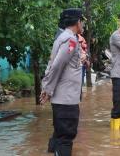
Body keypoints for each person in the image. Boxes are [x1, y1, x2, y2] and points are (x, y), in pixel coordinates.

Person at [40, 8, 85, 156]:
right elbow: (57, 66)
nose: (83, 24)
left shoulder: (64, 36)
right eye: (82, 21)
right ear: (77, 22)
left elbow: (56, 65)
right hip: (66, 99)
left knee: (59, 132)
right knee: (66, 136)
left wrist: (47, 88)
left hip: (63, 97)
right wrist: (47, 90)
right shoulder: (70, 39)